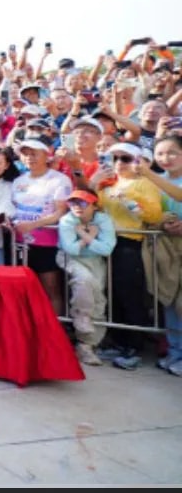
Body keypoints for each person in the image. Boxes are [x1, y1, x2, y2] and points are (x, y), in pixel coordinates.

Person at [93, 143, 162, 370]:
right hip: (107, 242)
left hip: (130, 242)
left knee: (130, 294)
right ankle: (118, 340)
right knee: (112, 293)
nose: (119, 163)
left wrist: (129, 202)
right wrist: (94, 186)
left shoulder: (145, 183)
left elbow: (153, 215)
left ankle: (134, 346)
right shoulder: (110, 183)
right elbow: (97, 209)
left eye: (125, 158)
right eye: (115, 158)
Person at [136, 134, 182, 375]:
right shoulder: (156, 180)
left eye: (173, 152)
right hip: (166, 249)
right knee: (169, 302)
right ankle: (176, 353)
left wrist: (149, 174)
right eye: (161, 153)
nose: (166, 158)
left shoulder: (155, 179)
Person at [10, 137, 72, 315]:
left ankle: (55, 331)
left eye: (34, 154)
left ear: (47, 155)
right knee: (24, 288)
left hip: (48, 243)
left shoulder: (59, 180)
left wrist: (34, 224)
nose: (30, 158)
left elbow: (61, 212)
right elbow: (13, 209)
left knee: (51, 288)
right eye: (26, 154)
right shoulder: (19, 181)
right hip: (20, 243)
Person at [57, 190, 116, 367]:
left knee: (98, 298)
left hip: (95, 260)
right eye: (73, 203)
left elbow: (107, 249)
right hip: (71, 259)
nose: (76, 207)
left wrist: (84, 235)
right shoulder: (67, 220)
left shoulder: (103, 219)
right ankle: (81, 318)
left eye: (82, 203)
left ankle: (87, 345)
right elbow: (71, 249)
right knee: (84, 282)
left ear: (94, 205)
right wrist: (87, 238)